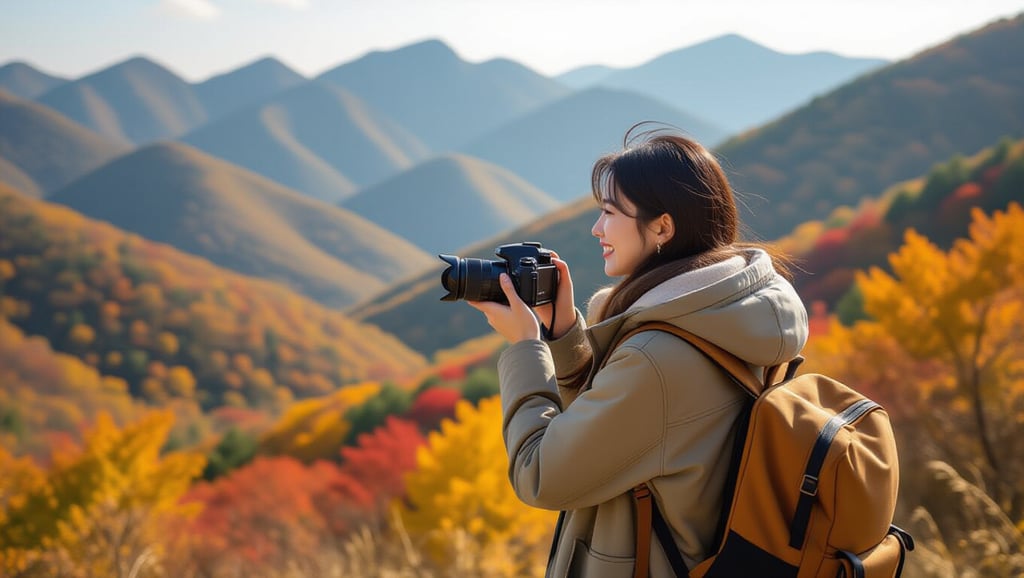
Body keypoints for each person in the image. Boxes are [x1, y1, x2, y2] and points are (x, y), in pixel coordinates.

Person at [467, 124, 809, 577]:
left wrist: (526, 347)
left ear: (663, 226)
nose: (596, 228)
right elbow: (615, 424)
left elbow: (539, 475)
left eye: (610, 213)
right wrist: (566, 333)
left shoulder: (658, 358)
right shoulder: (732, 315)